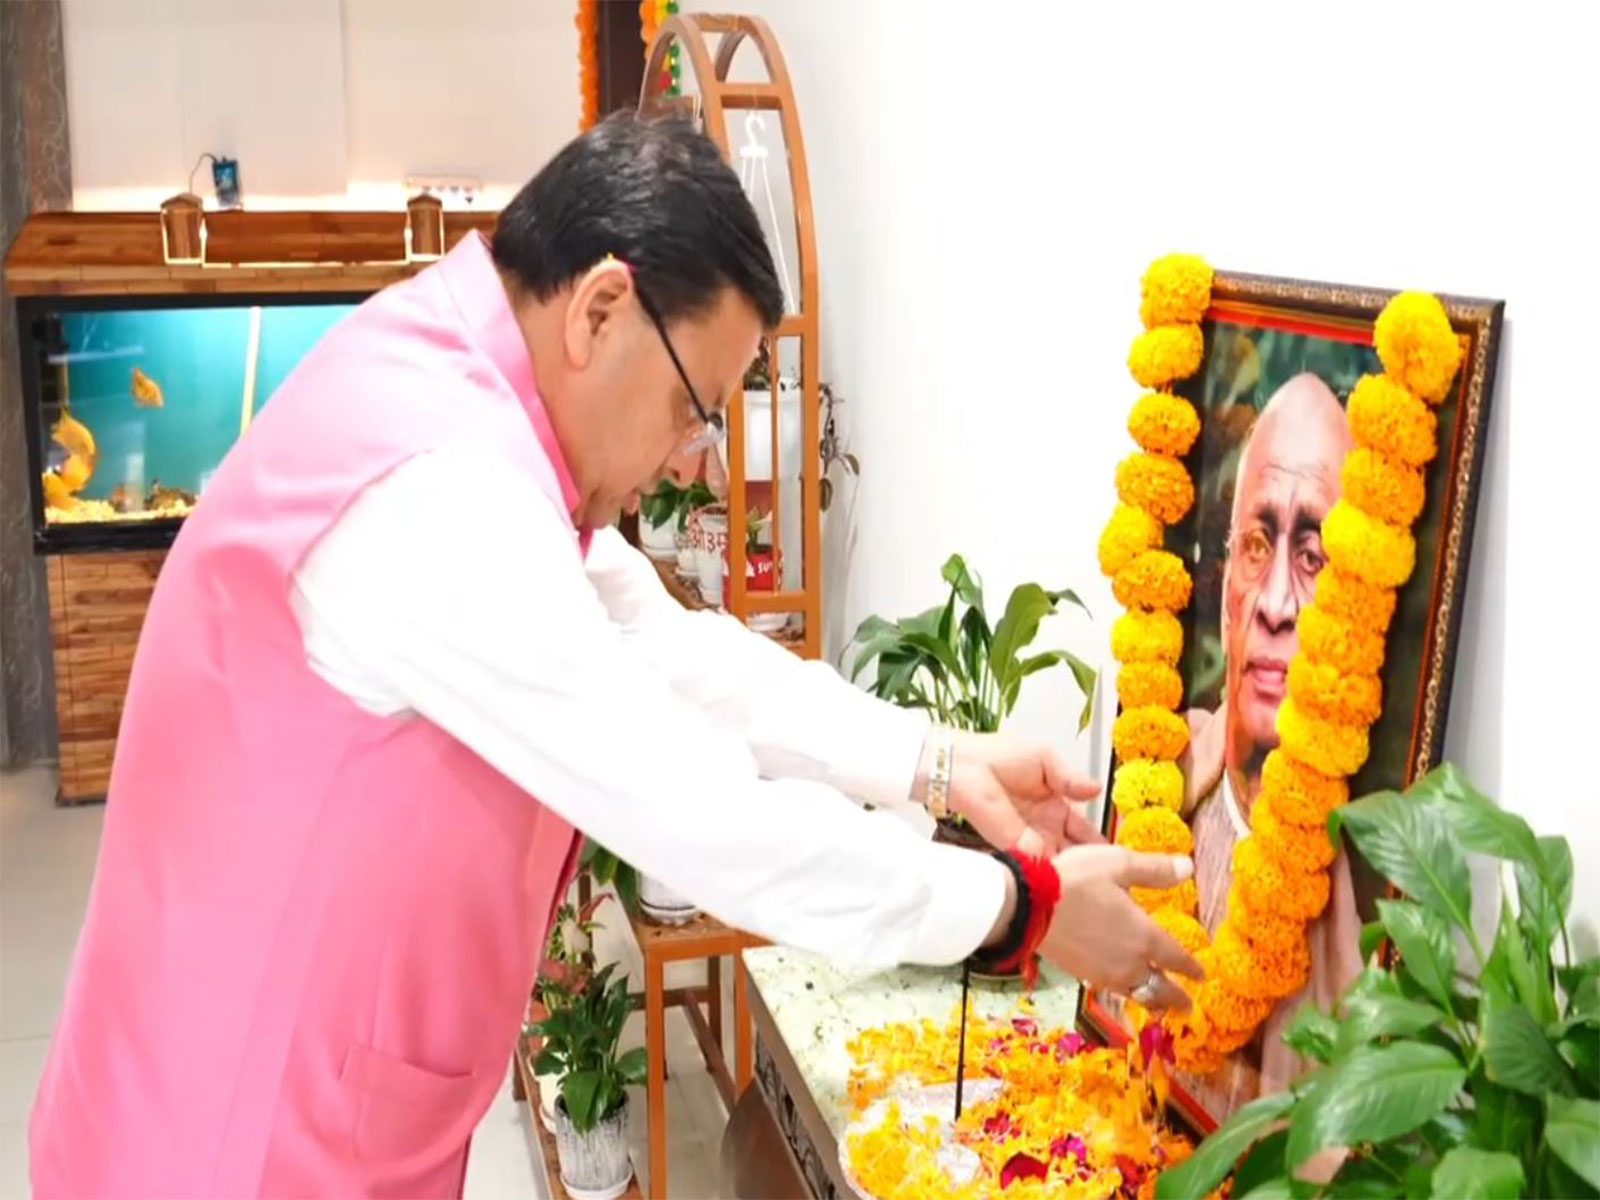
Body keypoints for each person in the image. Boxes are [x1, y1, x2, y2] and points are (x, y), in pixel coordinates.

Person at [28, 115, 1200, 1199]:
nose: (696, 458)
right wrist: (1022, 908)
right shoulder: (443, 494)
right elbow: (706, 820)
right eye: (702, 404)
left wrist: (937, 760)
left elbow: (665, 649)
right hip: (229, 1138)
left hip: (293, 1091)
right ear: (599, 309)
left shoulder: (459, 388)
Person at [1182, 373, 1363, 1114]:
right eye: (1259, 546)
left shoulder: (1355, 902)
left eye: (1314, 559)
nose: (1280, 604)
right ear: (1225, 581)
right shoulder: (1161, 775)